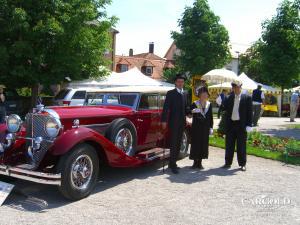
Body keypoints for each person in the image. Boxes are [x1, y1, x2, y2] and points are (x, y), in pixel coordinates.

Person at [161, 74, 189, 174]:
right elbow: (166, 108)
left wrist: (190, 112)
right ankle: (172, 164)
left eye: (182, 82)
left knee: (179, 142)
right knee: (173, 143)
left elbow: (186, 108)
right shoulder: (170, 93)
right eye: (179, 82)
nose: (180, 83)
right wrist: (164, 121)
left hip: (182, 122)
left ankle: (173, 162)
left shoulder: (185, 93)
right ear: (175, 83)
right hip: (173, 122)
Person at [222, 80, 253, 171]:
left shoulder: (247, 98)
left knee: (241, 146)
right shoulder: (229, 97)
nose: (236, 89)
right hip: (231, 124)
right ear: (233, 88)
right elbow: (224, 108)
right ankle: (228, 163)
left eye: (238, 87)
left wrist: (249, 124)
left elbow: (249, 112)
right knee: (229, 145)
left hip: (241, 125)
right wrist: (221, 100)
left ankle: (242, 164)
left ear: (241, 87)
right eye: (234, 87)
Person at [189, 86, 213, 169]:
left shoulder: (209, 105)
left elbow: (210, 117)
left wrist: (211, 127)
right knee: (196, 144)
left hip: (205, 128)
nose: (204, 95)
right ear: (199, 95)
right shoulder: (195, 103)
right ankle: (195, 162)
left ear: (207, 95)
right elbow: (188, 113)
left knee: (203, 144)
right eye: (202, 94)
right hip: (196, 128)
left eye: (205, 94)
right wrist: (193, 111)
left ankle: (200, 162)